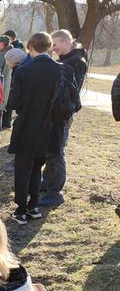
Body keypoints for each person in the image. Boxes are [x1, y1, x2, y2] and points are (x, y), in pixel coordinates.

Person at [7, 32, 80, 224]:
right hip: (51, 128)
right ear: (49, 47)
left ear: (30, 47)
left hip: (28, 127)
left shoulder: (23, 71)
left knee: (23, 169)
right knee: (37, 168)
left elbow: (14, 102)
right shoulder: (64, 70)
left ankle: (22, 210)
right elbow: (75, 101)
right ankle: (33, 207)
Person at [40, 30, 88, 207]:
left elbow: (67, 92)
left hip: (61, 114)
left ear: (65, 42)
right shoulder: (64, 60)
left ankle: (55, 192)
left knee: (56, 151)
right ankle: (47, 181)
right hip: (53, 112)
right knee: (49, 149)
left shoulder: (76, 62)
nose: (53, 49)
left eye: (55, 45)